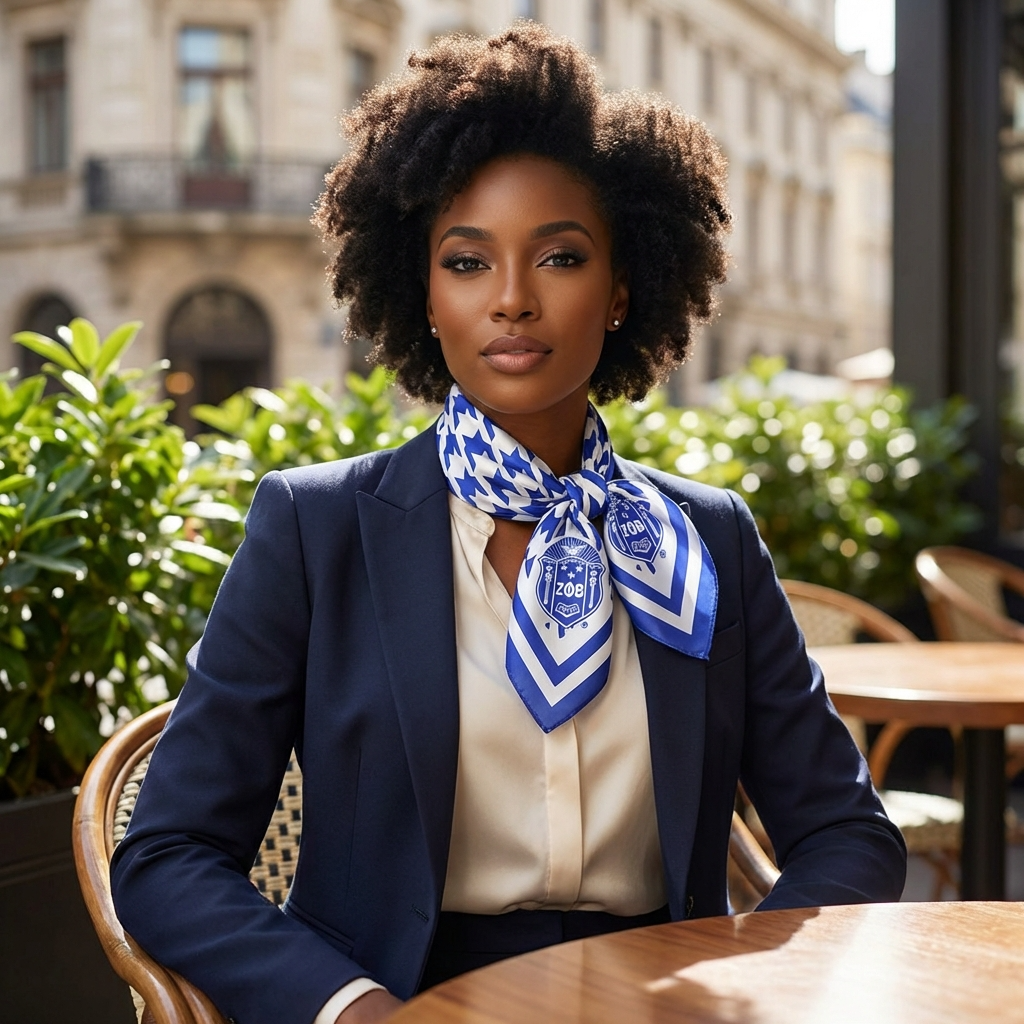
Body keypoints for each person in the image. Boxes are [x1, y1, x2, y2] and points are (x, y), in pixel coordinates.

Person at [110, 24, 906, 1024]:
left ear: (621, 292)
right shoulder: (315, 529)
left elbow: (845, 829)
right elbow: (169, 853)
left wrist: (747, 980)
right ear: (423, 295)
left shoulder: (708, 540)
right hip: (408, 995)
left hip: (665, 994)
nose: (514, 301)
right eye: (467, 261)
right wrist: (352, 1009)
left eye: (560, 257)